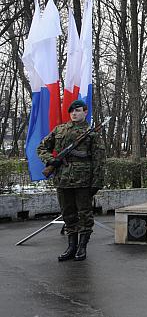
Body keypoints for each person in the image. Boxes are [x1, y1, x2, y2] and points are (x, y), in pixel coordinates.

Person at [37, 100, 105, 262]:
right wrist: (51, 160)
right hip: (62, 180)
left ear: (85, 112)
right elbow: (41, 147)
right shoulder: (60, 130)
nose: (74, 113)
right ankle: (71, 246)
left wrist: (97, 182)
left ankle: (82, 247)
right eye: (72, 111)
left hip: (83, 181)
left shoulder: (92, 134)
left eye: (78, 110)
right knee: (68, 214)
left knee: (84, 214)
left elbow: (99, 160)